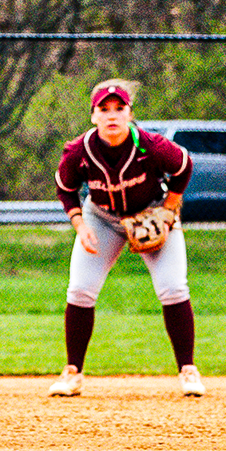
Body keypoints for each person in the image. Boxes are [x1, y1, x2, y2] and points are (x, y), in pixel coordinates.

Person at [49, 79, 205, 398]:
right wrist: (79, 223)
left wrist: (170, 209)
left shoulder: (150, 145)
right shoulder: (79, 150)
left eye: (119, 109)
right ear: (93, 116)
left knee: (173, 287)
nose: (112, 115)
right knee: (80, 290)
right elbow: (65, 189)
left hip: (152, 213)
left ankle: (188, 370)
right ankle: (72, 372)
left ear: (130, 113)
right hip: (101, 218)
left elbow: (184, 167)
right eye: (103, 109)